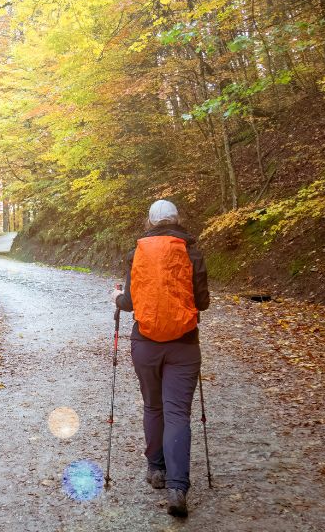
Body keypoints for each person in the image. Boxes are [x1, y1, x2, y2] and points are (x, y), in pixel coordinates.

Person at [110, 199, 210, 518]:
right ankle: (178, 488)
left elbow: (128, 302)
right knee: (178, 413)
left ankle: (156, 470)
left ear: (150, 222)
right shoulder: (191, 252)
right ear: (176, 220)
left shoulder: (137, 252)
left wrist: (116, 296)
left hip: (146, 343)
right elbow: (203, 302)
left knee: (154, 406)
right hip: (184, 344)